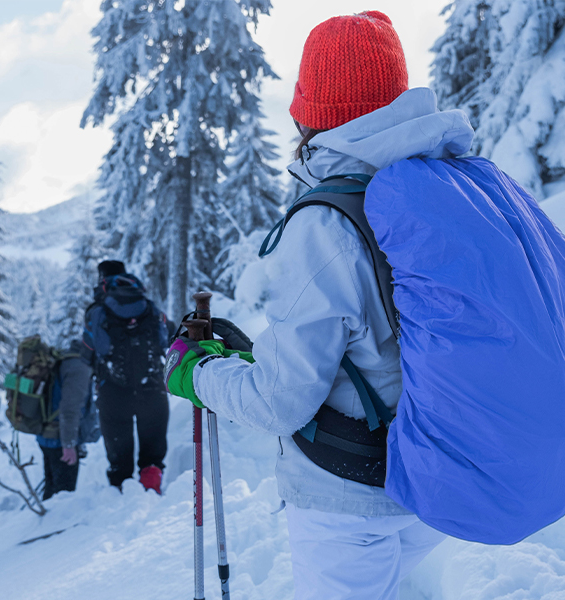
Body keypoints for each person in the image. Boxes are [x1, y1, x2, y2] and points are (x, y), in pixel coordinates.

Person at [164, 11, 471, 599]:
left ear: (312, 112)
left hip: (351, 497)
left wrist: (197, 374)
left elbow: (281, 402)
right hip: (436, 472)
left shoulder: (327, 223)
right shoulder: (446, 181)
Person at [81, 260, 170, 494]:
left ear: (102, 280)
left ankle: (122, 494)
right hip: (152, 388)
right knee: (153, 451)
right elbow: (165, 339)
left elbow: (88, 350)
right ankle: (152, 491)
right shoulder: (147, 306)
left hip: (112, 390)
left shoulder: (97, 311)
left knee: (119, 453)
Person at [36, 339, 95, 500]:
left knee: (51, 488)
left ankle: (44, 521)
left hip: (48, 435)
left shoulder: (68, 358)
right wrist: (69, 445)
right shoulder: (79, 367)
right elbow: (70, 409)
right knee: (62, 497)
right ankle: (57, 525)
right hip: (60, 440)